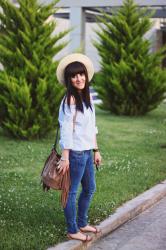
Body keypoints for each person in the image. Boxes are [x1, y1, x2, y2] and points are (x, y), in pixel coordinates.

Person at [56, 53, 102, 242]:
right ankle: (72, 229)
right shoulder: (70, 100)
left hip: (86, 151)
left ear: (86, 75)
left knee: (90, 188)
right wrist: (65, 157)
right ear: (69, 79)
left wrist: (96, 150)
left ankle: (82, 222)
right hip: (74, 154)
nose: (79, 78)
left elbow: (91, 127)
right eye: (74, 76)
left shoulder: (86, 97)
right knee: (71, 191)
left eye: (81, 74)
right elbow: (66, 131)